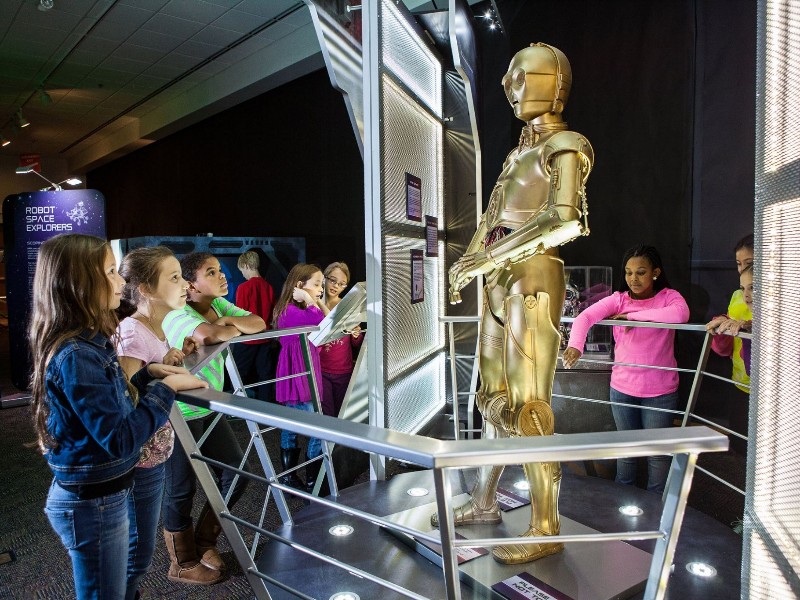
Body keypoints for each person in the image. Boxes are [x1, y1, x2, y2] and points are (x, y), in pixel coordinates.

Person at [433, 43, 594, 565]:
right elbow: (495, 218)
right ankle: (484, 499)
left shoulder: (566, 143)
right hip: (501, 282)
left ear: (557, 83)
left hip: (534, 278)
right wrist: (472, 262)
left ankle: (545, 524)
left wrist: (480, 261)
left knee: (530, 407)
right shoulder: (518, 153)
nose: (511, 88)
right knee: (492, 397)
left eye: (523, 77)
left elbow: (566, 218)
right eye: (509, 80)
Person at [30, 234, 207, 600]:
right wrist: (168, 387)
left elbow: (115, 402)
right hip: (92, 500)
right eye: (110, 271)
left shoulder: (88, 342)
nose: (120, 281)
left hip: (101, 493)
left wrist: (151, 374)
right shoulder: (77, 353)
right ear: (78, 283)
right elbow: (122, 437)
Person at [116, 246, 221, 589]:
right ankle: (182, 562)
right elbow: (129, 396)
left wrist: (170, 359)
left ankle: (191, 553)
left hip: (161, 436)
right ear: (145, 289)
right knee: (135, 549)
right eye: (174, 278)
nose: (185, 285)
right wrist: (170, 378)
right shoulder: (132, 332)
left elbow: (145, 374)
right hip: (147, 447)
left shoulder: (154, 329)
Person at [161, 252, 265, 581]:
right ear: (191, 284)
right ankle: (181, 562)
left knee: (238, 472)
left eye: (220, 270)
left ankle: (205, 541)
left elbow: (259, 323)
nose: (223, 277)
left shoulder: (219, 307)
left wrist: (223, 323)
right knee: (181, 487)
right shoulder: (178, 313)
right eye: (212, 272)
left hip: (209, 406)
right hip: (177, 411)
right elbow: (208, 336)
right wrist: (222, 328)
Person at [563, 245, 690, 494]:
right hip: (622, 389)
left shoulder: (668, 297)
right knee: (627, 453)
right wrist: (575, 345)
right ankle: (622, 506)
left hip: (660, 392)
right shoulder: (619, 299)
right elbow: (584, 317)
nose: (633, 278)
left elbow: (681, 314)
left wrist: (634, 318)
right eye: (629, 272)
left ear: (655, 273)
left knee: (658, 457)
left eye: (641, 272)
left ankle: (655, 511)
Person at [273, 263, 330, 492]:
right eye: (316, 284)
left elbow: (330, 320)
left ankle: (297, 477)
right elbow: (321, 321)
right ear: (299, 285)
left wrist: (313, 299)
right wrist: (309, 300)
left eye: (321, 285)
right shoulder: (289, 310)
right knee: (317, 424)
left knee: (292, 425)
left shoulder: (301, 308)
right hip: (298, 372)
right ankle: (310, 478)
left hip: (303, 370)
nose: (320, 289)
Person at [705, 234, 753, 454]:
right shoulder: (737, 295)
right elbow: (723, 348)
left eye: (749, 263)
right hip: (739, 384)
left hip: (770, 389)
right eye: (738, 264)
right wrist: (722, 325)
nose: (742, 269)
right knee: (741, 446)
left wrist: (749, 325)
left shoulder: (782, 295)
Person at [231, 250, 276, 402]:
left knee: (237, 374)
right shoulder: (268, 286)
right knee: (265, 374)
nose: (242, 273)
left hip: (247, 339)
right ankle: (266, 406)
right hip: (265, 338)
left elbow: (240, 316)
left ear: (245, 265)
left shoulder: (243, 288)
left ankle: (235, 406)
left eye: (241, 270)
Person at [319, 262, 363, 418]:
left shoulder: (348, 306)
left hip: (343, 370)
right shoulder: (315, 305)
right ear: (323, 278)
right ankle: (326, 443)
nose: (336, 285)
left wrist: (356, 335)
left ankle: (339, 443)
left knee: (341, 413)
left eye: (342, 284)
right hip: (320, 369)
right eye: (333, 280)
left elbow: (356, 342)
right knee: (326, 412)